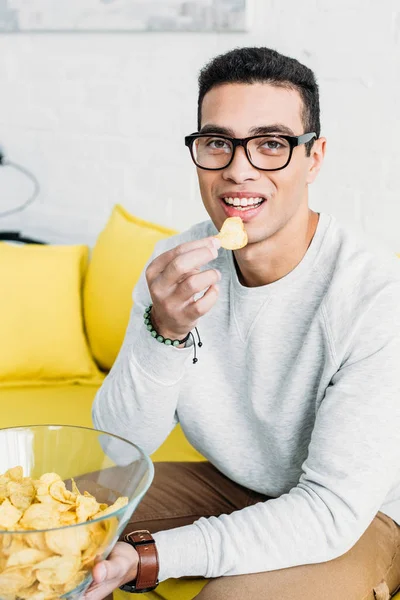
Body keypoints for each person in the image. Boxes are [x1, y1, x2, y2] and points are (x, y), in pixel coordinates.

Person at [87, 47, 400, 600]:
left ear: (315, 157)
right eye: (217, 143)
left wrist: (151, 558)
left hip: (361, 516)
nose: (238, 169)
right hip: (237, 485)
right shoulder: (175, 266)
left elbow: (331, 509)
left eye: (271, 144)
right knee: (39, 529)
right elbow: (120, 446)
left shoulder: (375, 296)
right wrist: (166, 331)